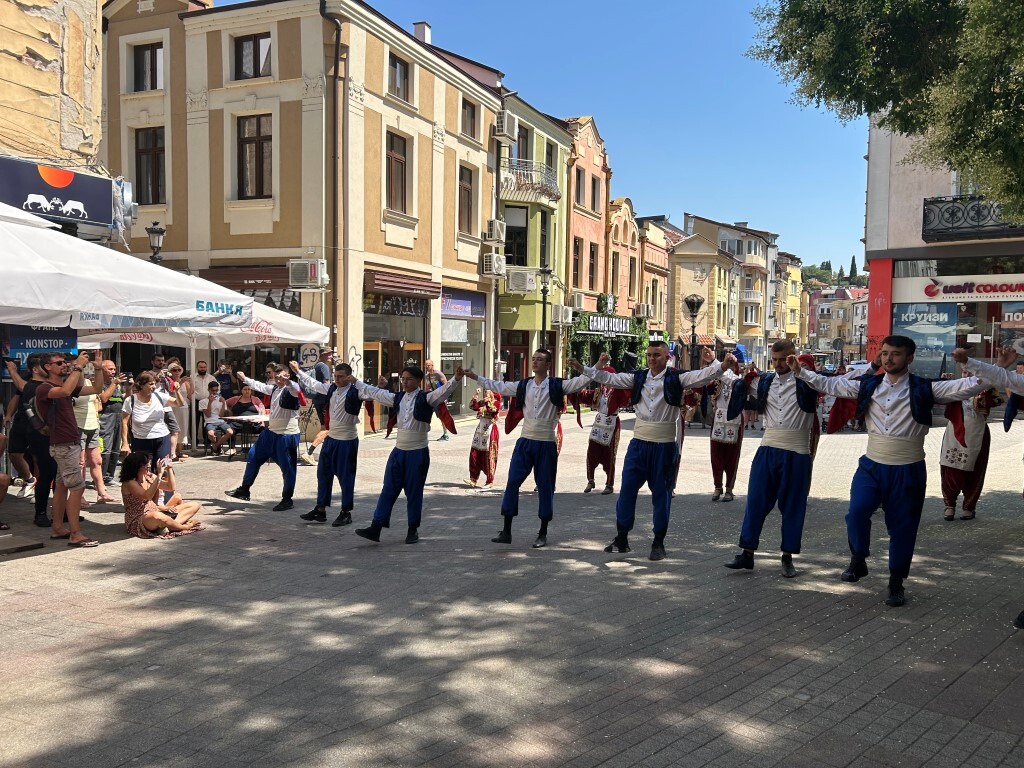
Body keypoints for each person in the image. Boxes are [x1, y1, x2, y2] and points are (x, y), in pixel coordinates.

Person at [792, 336, 989, 607]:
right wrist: (800, 372)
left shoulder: (925, 388)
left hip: (908, 468)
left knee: (903, 528)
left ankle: (896, 582)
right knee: (857, 512)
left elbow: (969, 386)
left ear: (909, 358)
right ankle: (858, 559)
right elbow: (830, 384)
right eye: (885, 353)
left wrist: (987, 366)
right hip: (872, 464)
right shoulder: (869, 384)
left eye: (895, 354)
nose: (888, 359)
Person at [571, 343, 733, 560]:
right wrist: (584, 369)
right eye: (648, 355)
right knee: (627, 490)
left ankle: (658, 541)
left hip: (664, 446)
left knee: (661, 494)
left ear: (667, 357)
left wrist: (721, 365)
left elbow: (702, 376)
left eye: (656, 355)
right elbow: (610, 379)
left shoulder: (677, 378)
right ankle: (622, 537)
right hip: (638, 444)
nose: (651, 359)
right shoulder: (637, 378)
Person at [467, 349, 592, 548]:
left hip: (546, 443)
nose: (535, 362)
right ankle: (506, 530)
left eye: (540, 359)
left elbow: (581, 382)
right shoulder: (524, 385)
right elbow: (500, 385)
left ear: (549, 365)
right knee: (512, 483)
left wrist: (588, 367)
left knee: (545, 487)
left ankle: (542, 532)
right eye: (533, 359)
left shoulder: (557, 385)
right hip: (525, 441)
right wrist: (476, 377)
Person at [722, 340, 823, 578]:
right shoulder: (766, 381)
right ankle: (747, 553)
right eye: (775, 360)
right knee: (756, 502)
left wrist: (801, 370)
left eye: (783, 359)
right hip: (767, 448)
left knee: (793, 508)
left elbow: (834, 383)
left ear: (794, 357)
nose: (778, 364)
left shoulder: (808, 381)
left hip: (797, 452)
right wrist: (719, 366)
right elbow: (738, 384)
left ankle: (787, 557)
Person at [342, 365, 462, 544]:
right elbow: (376, 393)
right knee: (388, 489)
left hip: (417, 453)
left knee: (414, 492)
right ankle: (376, 527)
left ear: (418, 381)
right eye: (403, 379)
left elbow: (444, 391)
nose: (404, 382)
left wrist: (456, 379)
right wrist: (356, 382)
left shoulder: (427, 398)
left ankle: (412, 529)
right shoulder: (397, 398)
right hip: (398, 452)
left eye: (409, 379)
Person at [37, 351, 106, 547]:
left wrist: (98, 368)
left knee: (61, 486)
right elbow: (65, 392)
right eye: (59, 363)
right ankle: (75, 534)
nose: (64, 366)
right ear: (47, 367)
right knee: (77, 487)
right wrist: (78, 367)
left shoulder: (65, 385)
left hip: (69, 443)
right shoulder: (44, 388)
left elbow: (97, 389)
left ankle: (58, 527)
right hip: (63, 444)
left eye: (65, 363)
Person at [291, 360, 363, 526]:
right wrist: (298, 372)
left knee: (346, 477)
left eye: (341, 377)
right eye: (335, 376)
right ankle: (320, 509)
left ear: (349, 377)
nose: (337, 379)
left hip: (347, 440)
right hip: (331, 439)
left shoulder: (357, 391)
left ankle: (346, 512)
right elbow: (313, 384)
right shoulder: (331, 388)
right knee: (323, 473)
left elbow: (374, 393)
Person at [225, 365, 303, 511]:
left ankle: (287, 499)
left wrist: (289, 382)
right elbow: (259, 386)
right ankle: (244, 489)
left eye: (282, 376)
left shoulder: (291, 389)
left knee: (288, 468)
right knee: (253, 456)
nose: (279, 379)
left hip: (286, 435)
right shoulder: (274, 389)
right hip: (271, 433)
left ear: (288, 376)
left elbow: (296, 388)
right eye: (277, 377)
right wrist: (244, 379)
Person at [939, 371, 999, 522]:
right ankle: (949, 505)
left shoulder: (987, 387)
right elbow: (939, 397)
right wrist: (944, 382)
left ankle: (969, 506)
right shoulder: (957, 386)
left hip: (976, 431)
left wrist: (983, 396)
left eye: (970, 370)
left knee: (976, 468)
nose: (966, 372)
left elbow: (998, 400)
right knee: (950, 467)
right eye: (964, 369)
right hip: (954, 431)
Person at [119, 452, 202, 538]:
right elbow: (147, 496)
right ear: (137, 467)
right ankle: (182, 527)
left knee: (194, 505)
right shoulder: (129, 483)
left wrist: (169, 468)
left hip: (156, 511)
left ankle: (167, 525)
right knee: (157, 516)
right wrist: (159, 474)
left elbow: (170, 487)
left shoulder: (149, 477)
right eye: (146, 464)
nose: (149, 466)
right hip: (139, 518)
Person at [581, 368, 630, 495]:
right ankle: (590, 480)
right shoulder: (599, 391)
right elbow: (586, 396)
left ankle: (609, 484)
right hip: (598, 423)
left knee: (610, 455)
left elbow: (627, 397)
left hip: (612, 423)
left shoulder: (618, 390)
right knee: (591, 451)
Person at [709, 352, 749, 502]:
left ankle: (729, 489)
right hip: (719, 419)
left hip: (735, 420)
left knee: (732, 457)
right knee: (716, 456)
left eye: (732, 364)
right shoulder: (718, 380)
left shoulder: (740, 382)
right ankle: (717, 486)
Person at [74, 368, 117, 504]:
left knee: (96, 461)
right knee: (80, 463)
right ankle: (79, 496)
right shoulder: (71, 384)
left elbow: (98, 402)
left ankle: (102, 493)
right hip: (78, 426)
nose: (85, 371)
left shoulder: (88, 381)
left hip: (93, 425)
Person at [121, 372, 175, 472]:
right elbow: (124, 422)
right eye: (150, 384)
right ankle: (146, 488)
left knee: (165, 467)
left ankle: (168, 487)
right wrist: (125, 443)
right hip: (140, 441)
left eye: (154, 383)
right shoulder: (130, 400)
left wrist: (177, 391)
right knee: (143, 470)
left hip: (162, 438)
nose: (154, 386)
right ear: (141, 385)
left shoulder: (159, 396)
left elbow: (179, 403)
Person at [3, 358, 37, 500]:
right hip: (21, 421)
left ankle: (40, 489)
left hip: (38, 423)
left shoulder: (46, 381)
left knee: (37, 457)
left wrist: (12, 371)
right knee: (14, 453)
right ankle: (30, 480)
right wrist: (8, 415)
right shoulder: (25, 378)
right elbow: (17, 396)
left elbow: (24, 387)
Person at [98, 359, 129, 486]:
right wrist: (114, 383)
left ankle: (109, 477)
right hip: (105, 418)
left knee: (116, 448)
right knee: (105, 449)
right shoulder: (98, 384)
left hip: (118, 417)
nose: (113, 372)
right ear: (102, 370)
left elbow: (125, 399)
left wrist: (129, 388)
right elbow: (104, 398)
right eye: (110, 369)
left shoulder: (117, 385)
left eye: (114, 369)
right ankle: (100, 478)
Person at [464, 388, 502, 489]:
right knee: (474, 453)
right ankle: (473, 479)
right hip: (480, 430)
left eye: (488, 391)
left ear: (493, 392)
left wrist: (488, 402)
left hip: (490, 431)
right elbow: (472, 406)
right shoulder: (482, 402)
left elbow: (493, 410)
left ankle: (489, 481)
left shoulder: (496, 403)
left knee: (489, 455)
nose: (486, 392)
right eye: (485, 391)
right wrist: (476, 394)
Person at [200, 380, 234, 454]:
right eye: (213, 390)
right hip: (209, 422)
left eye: (216, 390)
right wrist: (210, 402)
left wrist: (223, 403)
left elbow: (221, 415)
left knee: (230, 432)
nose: (215, 392)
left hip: (220, 421)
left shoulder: (221, 400)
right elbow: (208, 415)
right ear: (208, 390)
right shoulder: (203, 401)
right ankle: (217, 447)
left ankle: (216, 445)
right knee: (211, 434)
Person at [167, 362, 192, 461]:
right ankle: (172, 451)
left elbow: (190, 393)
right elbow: (171, 392)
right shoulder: (169, 381)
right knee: (174, 428)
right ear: (170, 372)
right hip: (173, 405)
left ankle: (180, 451)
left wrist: (190, 382)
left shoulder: (184, 381)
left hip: (184, 406)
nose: (177, 372)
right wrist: (180, 382)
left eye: (178, 370)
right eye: (174, 370)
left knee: (183, 427)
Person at [424, 359, 450, 441]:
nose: (427, 367)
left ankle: (446, 434)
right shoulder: (427, 376)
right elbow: (428, 387)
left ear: (432, 365)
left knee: (442, 416)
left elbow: (446, 385)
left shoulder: (438, 374)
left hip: (440, 399)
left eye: (429, 365)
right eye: (426, 365)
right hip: (432, 399)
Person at [309, 348, 334, 427]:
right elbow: (327, 383)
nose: (331, 356)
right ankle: (321, 439)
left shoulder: (316, 365)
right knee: (327, 426)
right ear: (323, 355)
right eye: (329, 354)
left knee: (323, 424)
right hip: (324, 400)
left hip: (317, 400)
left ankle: (322, 439)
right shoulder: (324, 367)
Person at [743, 363, 760, 430]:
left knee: (749, 412)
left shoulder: (756, 376)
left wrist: (749, 367)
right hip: (750, 395)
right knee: (750, 411)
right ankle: (749, 425)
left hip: (751, 395)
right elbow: (760, 372)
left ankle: (748, 425)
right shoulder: (755, 376)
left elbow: (759, 372)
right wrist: (750, 367)